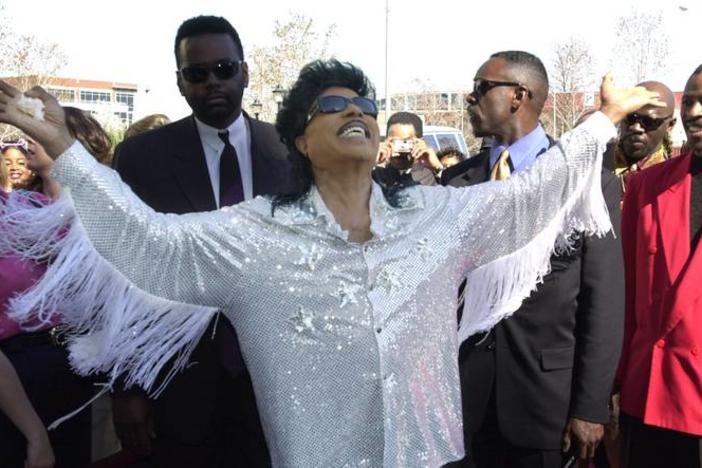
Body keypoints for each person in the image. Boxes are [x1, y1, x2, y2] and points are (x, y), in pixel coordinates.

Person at [0, 58, 660, 467]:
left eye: (362, 112)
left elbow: (529, 198)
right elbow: (147, 244)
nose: (352, 122)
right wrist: (65, 146)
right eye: (330, 113)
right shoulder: (251, 236)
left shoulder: (432, 216)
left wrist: (602, 120)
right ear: (299, 141)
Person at [110, 15, 289, 467]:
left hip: (281, 386)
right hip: (179, 387)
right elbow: (120, 277)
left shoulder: (294, 153)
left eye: (224, 69)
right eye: (197, 73)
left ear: (244, 73)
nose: (213, 82)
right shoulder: (140, 159)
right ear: (180, 82)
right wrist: (127, 385)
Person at [442, 51, 624, 468]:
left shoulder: (587, 182)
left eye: (481, 87)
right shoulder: (457, 182)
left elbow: (604, 299)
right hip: (462, 403)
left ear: (517, 96)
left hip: (545, 406)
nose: (469, 98)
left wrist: (590, 407)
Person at [615, 65, 702, 468]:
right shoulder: (646, 187)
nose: (695, 110)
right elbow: (626, 295)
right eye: (691, 99)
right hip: (648, 393)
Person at [613, 81, 677, 193]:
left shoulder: (673, 181)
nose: (636, 127)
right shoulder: (594, 165)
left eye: (649, 122)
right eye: (630, 118)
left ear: (670, 125)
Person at [374, 111, 442, 187]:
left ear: (421, 142)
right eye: (395, 142)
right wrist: (370, 163)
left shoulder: (431, 176)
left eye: (405, 142)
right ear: (385, 141)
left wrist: (438, 169)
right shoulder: (375, 175)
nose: (401, 150)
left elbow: (455, 193)